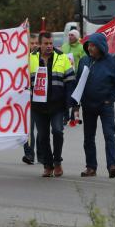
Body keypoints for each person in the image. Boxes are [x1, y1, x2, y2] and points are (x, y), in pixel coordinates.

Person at [74, 32, 115, 178]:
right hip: (88, 105)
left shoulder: (112, 62)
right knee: (88, 137)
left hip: (105, 106)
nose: (90, 48)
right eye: (88, 45)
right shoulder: (84, 61)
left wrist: (110, 99)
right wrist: (76, 104)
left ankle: (112, 165)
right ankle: (91, 167)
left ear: (101, 47)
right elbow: (78, 84)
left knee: (109, 135)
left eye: (93, 45)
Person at [30, 32, 75, 177]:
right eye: (46, 44)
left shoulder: (63, 58)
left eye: (51, 43)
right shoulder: (30, 59)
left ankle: (57, 162)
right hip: (38, 106)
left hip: (57, 105)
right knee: (42, 136)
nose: (49, 46)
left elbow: (70, 83)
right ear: (39, 44)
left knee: (57, 131)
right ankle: (47, 165)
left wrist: (70, 105)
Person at [23, 32, 41, 164]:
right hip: (27, 98)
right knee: (28, 129)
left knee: (41, 129)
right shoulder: (23, 58)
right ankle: (29, 154)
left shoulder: (43, 58)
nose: (34, 45)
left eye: (36, 43)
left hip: (40, 98)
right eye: (32, 43)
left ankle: (42, 155)